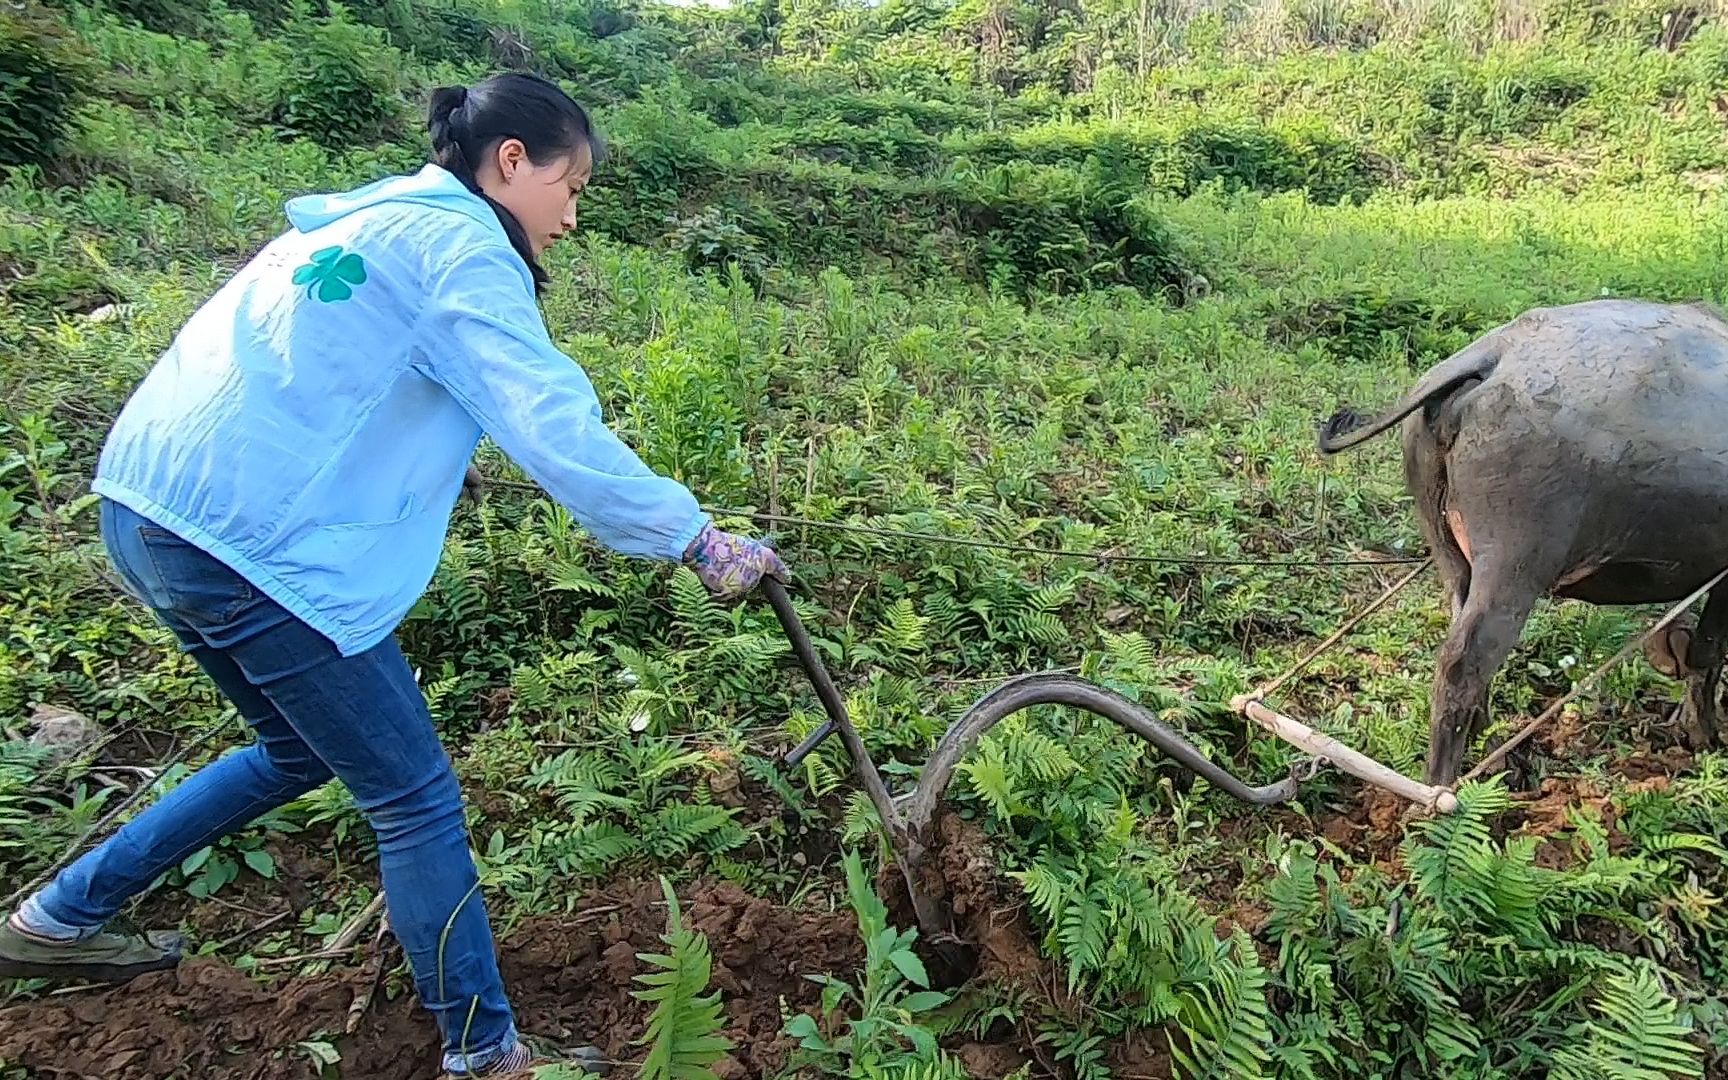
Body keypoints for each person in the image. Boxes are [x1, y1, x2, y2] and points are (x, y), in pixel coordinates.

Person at [0, 72, 788, 1076]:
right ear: (512, 162)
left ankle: (61, 916)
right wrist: (694, 538)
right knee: (414, 798)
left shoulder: (375, 215)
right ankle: (484, 1053)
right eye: (571, 186)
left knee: (297, 752)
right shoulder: (462, 245)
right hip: (249, 543)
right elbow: (549, 421)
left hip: (150, 506)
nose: (574, 217)